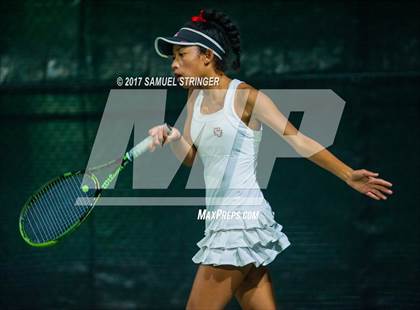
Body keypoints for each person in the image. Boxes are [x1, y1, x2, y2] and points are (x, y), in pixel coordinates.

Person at [148, 9, 393, 310]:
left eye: (181, 55)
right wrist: (173, 137)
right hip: (225, 223)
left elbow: (298, 140)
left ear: (207, 57)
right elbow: (191, 158)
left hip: (238, 224)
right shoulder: (194, 97)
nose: (174, 65)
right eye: (172, 57)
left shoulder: (246, 97)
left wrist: (347, 174)